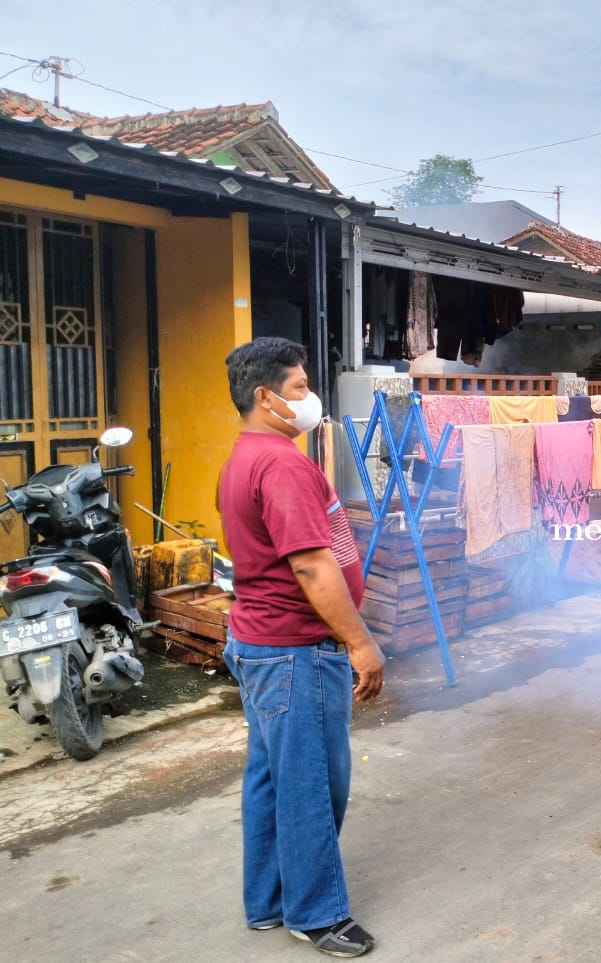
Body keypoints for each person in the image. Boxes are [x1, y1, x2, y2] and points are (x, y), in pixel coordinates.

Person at [218, 337, 385, 959]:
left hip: (260, 643)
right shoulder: (282, 465)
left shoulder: (244, 456)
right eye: (298, 388)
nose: (309, 398)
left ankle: (266, 902)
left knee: (270, 776)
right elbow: (314, 568)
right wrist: (361, 644)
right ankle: (317, 914)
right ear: (265, 397)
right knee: (313, 781)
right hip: (295, 650)